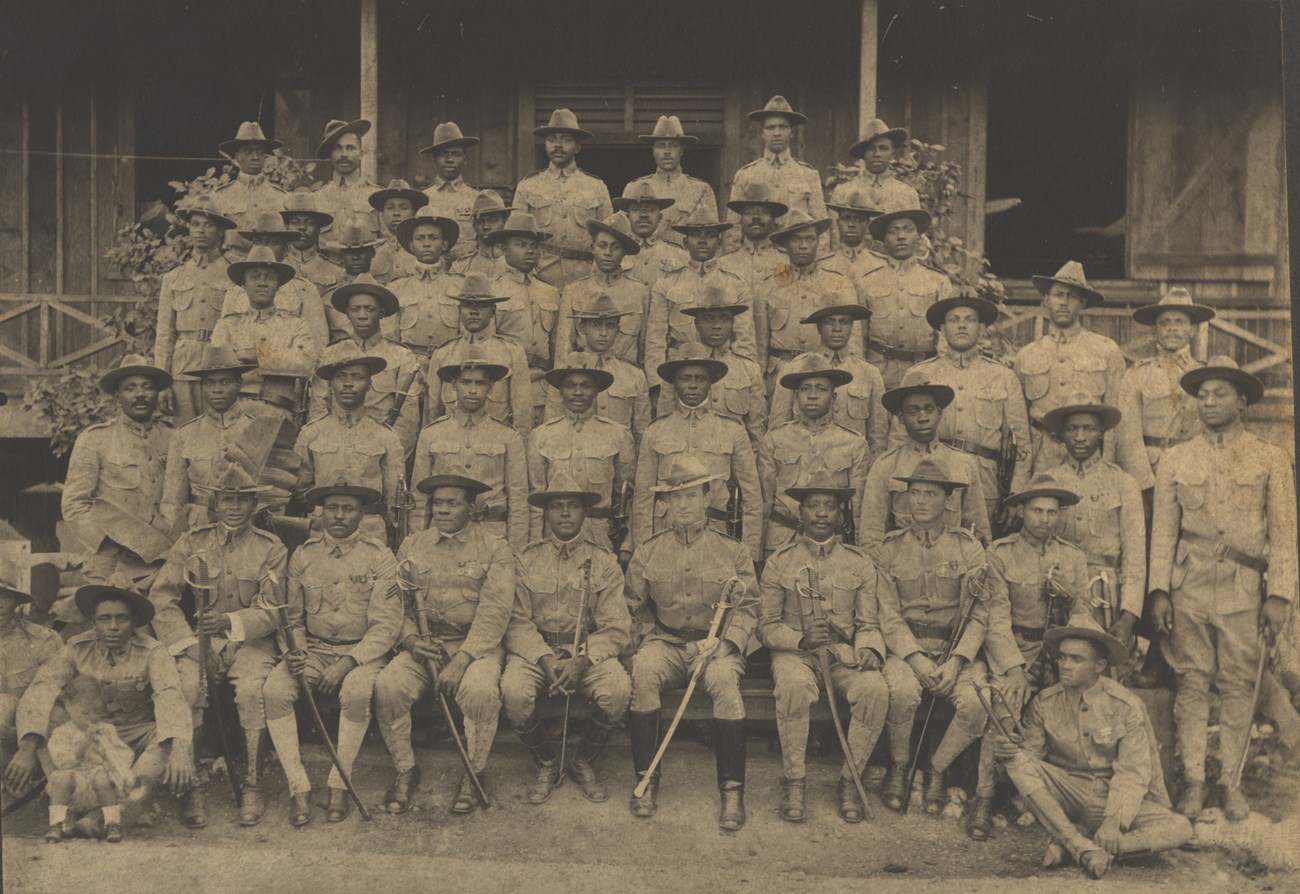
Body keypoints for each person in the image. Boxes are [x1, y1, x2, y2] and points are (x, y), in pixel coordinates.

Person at [1148, 358, 1296, 821]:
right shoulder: (1176, 458)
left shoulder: (1270, 456)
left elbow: (1285, 532)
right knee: (1191, 681)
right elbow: (1163, 532)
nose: (1208, 402)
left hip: (1243, 589)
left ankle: (1230, 782)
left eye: (1219, 394)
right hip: (1188, 584)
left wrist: (1279, 596)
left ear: (1243, 401)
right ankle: (1193, 784)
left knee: (1237, 686)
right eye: (1202, 395)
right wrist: (1158, 590)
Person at [991, 620, 1193, 879]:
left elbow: (1132, 772)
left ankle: (1081, 848)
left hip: (1110, 798)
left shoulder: (1125, 705)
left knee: (1180, 827)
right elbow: (1030, 760)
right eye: (1062, 657)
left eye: (1076, 659)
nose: (1065, 665)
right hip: (1065, 793)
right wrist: (1006, 754)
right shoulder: (1045, 702)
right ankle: (1077, 843)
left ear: (1099, 666)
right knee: (1017, 761)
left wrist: (1113, 821)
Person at [147, 463, 287, 827]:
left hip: (251, 643)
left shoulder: (270, 548)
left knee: (252, 690)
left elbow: (272, 608)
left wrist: (230, 622)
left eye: (243, 500)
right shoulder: (193, 542)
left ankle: (253, 781)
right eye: (228, 499)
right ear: (215, 503)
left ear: (254, 504)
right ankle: (191, 783)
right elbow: (162, 597)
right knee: (188, 685)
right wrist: (189, 645)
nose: (235, 507)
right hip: (198, 643)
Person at [625, 455, 760, 829]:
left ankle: (732, 792)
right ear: (665, 503)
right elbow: (631, 608)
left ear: (707, 497)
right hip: (666, 642)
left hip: (715, 647)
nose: (683, 505)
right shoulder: (648, 551)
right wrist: (648, 639)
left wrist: (727, 644)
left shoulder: (732, 551)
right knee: (644, 672)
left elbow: (750, 608)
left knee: (723, 682)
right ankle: (646, 779)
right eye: (675, 497)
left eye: (691, 495)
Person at [6, 581, 196, 836]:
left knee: (168, 740)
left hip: (134, 735)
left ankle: (102, 815)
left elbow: (169, 696)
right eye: (104, 619)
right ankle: (63, 801)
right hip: (91, 736)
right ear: (93, 622)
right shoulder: (76, 647)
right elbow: (42, 688)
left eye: (122, 619)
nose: (113, 627)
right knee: (46, 720)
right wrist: (27, 746)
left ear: (135, 621)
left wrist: (181, 749)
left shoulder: (153, 651)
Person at [262, 482, 400, 826]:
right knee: (274, 690)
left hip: (361, 654)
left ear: (362, 514)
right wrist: (294, 652)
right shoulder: (303, 555)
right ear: (320, 512)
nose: (339, 516)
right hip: (313, 650)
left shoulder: (379, 556)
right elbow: (290, 617)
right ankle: (299, 786)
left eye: (349, 509)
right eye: (332, 508)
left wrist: (348, 662)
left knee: (355, 691)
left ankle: (339, 783)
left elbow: (386, 625)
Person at [375, 474, 513, 815]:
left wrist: (462, 660)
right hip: (424, 644)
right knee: (388, 686)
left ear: (472, 508)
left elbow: (495, 612)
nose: (443, 510)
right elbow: (397, 604)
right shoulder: (412, 546)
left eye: (453, 503)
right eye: (438, 503)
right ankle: (405, 769)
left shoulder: (495, 548)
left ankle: (473, 771)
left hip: (474, 645)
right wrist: (409, 640)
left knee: (480, 692)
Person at [758, 475, 890, 823]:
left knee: (875, 689)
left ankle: (850, 780)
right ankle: (795, 780)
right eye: (813, 506)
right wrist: (800, 639)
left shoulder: (859, 563)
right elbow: (766, 626)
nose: (821, 514)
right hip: (795, 655)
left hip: (841, 656)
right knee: (794, 687)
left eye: (829, 507)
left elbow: (869, 623)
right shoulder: (780, 561)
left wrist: (870, 650)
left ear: (841, 516)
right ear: (800, 512)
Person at [969, 472, 1089, 840]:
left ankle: (1048, 798)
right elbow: (995, 618)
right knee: (1004, 705)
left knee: (1072, 711)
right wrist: (1013, 668)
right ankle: (984, 798)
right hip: (1016, 648)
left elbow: (1084, 617)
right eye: (1037, 510)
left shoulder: (1073, 557)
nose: (1045, 519)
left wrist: (1069, 598)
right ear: (1021, 510)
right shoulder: (1000, 553)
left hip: (1058, 651)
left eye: (1052, 512)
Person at [502, 474, 632, 804]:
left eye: (572, 506)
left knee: (618, 689)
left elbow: (616, 626)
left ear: (584, 513)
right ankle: (546, 762)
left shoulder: (603, 561)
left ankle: (582, 761)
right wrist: (545, 659)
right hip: (536, 653)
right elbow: (516, 622)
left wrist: (583, 660)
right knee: (514, 690)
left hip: (585, 652)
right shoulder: (525, 560)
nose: (564, 513)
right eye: (556, 506)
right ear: (545, 513)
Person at [873, 459, 992, 814]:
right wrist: (914, 658)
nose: (921, 501)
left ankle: (936, 769)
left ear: (947, 501)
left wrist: (957, 662)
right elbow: (888, 616)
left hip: (955, 652)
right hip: (907, 652)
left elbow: (980, 613)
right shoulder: (888, 549)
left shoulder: (968, 548)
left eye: (930, 494)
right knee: (902, 691)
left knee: (977, 703)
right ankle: (899, 765)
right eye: (914, 493)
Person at [894, 292, 1030, 522]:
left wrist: (1016, 495)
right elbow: (898, 439)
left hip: (985, 483)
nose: (962, 326)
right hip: (931, 480)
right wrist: (898, 489)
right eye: (954, 320)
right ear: (942, 328)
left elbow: (1022, 445)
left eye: (970, 320)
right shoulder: (921, 374)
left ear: (982, 327)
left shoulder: (1003, 377)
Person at [632, 348, 763, 564]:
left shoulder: (732, 430)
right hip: (665, 533)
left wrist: (749, 551)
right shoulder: (656, 430)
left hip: (715, 532)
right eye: (685, 379)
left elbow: (752, 495)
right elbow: (643, 497)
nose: (692, 385)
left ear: (710, 383)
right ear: (674, 383)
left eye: (700, 379)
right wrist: (642, 549)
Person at [61, 355, 174, 587]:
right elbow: (74, 504)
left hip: (163, 557)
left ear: (156, 394)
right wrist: (107, 541)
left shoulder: (174, 438)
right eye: (130, 388)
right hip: (112, 561)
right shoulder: (95, 439)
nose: (140, 394)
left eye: (147, 387)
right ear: (117, 396)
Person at [1043, 394, 1146, 648]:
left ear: (1101, 433)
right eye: (1072, 429)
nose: (1079, 437)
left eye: (1088, 429)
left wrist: (1129, 616)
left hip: (1104, 595)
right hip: (1056, 591)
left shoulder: (1123, 483)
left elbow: (1135, 556)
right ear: (1062, 434)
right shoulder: (1048, 481)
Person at [1014, 261, 1126, 475]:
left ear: (1082, 303)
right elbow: (1019, 424)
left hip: (1090, 458)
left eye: (1072, 296)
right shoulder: (1026, 356)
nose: (1064, 302)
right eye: (1058, 295)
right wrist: (1020, 478)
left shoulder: (1106, 351)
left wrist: (1107, 467)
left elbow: (1114, 419)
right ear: (1046, 300)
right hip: (1042, 458)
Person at [411, 348, 529, 546]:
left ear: (490, 387)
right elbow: (420, 500)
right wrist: (418, 546)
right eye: (466, 382)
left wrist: (515, 551)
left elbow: (518, 502)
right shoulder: (431, 434)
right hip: (442, 537)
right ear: (453, 385)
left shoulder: (508, 436)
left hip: (491, 537)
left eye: (480, 383)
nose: (473, 390)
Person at [858, 382, 990, 552]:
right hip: (903, 565)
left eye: (929, 409)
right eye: (913, 411)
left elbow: (979, 531)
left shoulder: (963, 463)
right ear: (901, 418)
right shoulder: (885, 466)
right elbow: (871, 537)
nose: (923, 418)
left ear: (939, 413)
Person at [758, 356, 868, 557]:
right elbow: (764, 501)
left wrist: (856, 552)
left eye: (821, 389)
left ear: (833, 398)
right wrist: (756, 551)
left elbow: (858, 507)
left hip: (834, 544)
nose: (813, 395)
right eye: (805, 389)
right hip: (782, 541)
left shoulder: (854, 443)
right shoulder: (775, 439)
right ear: (796, 396)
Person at [1115, 288, 1217, 499]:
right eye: (1164, 322)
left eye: (1179, 322)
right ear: (1154, 330)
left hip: (1195, 470)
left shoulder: (1204, 375)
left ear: (1193, 329)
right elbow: (1127, 435)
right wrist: (1144, 483)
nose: (1172, 329)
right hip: (1152, 471)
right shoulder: (1137, 374)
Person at [530, 355, 636, 556]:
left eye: (586, 386)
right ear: (561, 391)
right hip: (553, 537)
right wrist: (536, 544)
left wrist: (626, 545)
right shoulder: (541, 436)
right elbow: (536, 498)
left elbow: (626, 495)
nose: (578, 392)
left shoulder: (618, 435)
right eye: (570, 386)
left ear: (597, 391)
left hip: (600, 536)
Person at [646, 205, 757, 395]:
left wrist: (744, 379)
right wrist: (657, 384)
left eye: (710, 235)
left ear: (719, 242)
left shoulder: (736, 284)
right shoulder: (666, 284)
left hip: (724, 368)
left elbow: (744, 340)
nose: (703, 241)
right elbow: (656, 337)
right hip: (679, 368)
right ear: (685, 241)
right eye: (697, 235)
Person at [310, 275, 423, 456]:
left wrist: (389, 454)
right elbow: (319, 407)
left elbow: (407, 421)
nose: (362, 316)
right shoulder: (330, 354)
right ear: (347, 313)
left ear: (382, 312)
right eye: (356, 309)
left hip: (381, 450)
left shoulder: (402, 357)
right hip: (335, 447)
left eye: (369, 309)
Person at [293, 350, 405, 534]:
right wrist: (322, 512)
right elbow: (300, 491)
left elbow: (393, 497)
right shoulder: (311, 433)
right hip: (323, 529)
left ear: (369, 384)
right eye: (340, 377)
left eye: (357, 377)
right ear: (331, 384)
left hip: (370, 530)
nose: (348, 384)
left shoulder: (386, 437)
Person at [154, 196, 238, 423]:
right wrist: (163, 383)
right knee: (184, 436)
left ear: (220, 231)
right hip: (183, 369)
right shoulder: (174, 277)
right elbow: (164, 334)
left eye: (208, 225)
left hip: (220, 367)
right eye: (195, 224)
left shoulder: (234, 275)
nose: (200, 230)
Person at [159, 345, 258, 533]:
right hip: (198, 528)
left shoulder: (255, 430)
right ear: (201, 387)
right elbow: (172, 500)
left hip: (245, 527)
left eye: (225, 382)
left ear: (239, 384)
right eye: (209, 383)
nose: (217, 390)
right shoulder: (184, 434)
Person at [753, 210, 857, 388]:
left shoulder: (839, 283)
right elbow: (760, 344)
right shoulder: (767, 286)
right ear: (785, 244)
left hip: (825, 372)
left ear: (818, 242)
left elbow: (853, 340)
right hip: (781, 374)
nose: (803, 245)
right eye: (796, 240)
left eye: (810, 239)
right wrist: (760, 384)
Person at [769, 305, 887, 458]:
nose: (837, 328)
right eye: (829, 322)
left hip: (851, 465)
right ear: (818, 328)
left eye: (844, 322)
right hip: (803, 464)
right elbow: (778, 428)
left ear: (852, 327)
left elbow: (877, 436)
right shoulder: (794, 369)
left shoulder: (869, 373)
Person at [513, 109, 613, 288]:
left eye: (566, 139)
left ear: (577, 146)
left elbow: (608, 237)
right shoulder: (528, 185)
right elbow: (516, 235)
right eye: (552, 139)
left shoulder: (596, 186)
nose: (557, 145)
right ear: (545, 145)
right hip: (540, 275)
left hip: (584, 276)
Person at [425, 273, 533, 437]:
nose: (474, 312)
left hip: (495, 443)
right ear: (459, 310)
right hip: (450, 445)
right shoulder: (443, 354)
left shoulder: (512, 352)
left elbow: (522, 416)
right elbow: (433, 413)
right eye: (468, 305)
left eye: (481, 306)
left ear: (493, 311)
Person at [859, 207, 955, 389]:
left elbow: (945, 336)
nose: (901, 236)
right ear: (884, 239)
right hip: (879, 373)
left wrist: (941, 374)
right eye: (893, 231)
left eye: (908, 230)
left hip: (924, 373)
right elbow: (859, 336)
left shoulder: (937, 281)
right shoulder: (867, 282)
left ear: (918, 237)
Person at [211, 245, 318, 403]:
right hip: (237, 408)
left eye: (269, 277)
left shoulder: (296, 325)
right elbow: (218, 363)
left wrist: (258, 356)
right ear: (243, 285)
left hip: (280, 411)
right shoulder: (227, 325)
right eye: (255, 277)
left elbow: (305, 364)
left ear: (278, 285)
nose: (262, 283)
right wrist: (283, 358)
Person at [216, 214, 329, 351]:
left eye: (271, 243)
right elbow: (224, 340)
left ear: (284, 248)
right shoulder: (236, 290)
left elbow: (317, 342)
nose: (264, 248)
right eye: (258, 242)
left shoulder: (304, 289)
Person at [727, 96, 827, 248]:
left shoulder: (808, 175)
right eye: (771, 127)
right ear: (762, 133)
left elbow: (820, 226)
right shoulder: (746, 175)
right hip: (757, 259)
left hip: (794, 257)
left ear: (792, 132)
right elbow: (734, 227)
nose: (777, 133)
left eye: (783, 127)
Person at [555, 212, 648, 367]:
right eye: (602, 245)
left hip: (624, 382)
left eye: (615, 247)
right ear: (592, 248)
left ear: (624, 252)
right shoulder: (574, 290)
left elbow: (645, 347)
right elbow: (563, 351)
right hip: (584, 378)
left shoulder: (640, 292)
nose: (608, 253)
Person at [674, 295, 766, 447]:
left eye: (724, 319)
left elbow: (756, 429)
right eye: (708, 319)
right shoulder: (677, 368)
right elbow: (666, 427)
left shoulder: (749, 369)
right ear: (696, 324)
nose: (717, 326)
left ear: (732, 323)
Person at [483, 210, 562, 384]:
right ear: (504, 249)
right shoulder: (492, 290)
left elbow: (557, 346)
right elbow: (486, 346)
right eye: (521, 244)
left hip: (542, 382)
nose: (530, 251)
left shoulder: (551, 292)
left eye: (534, 246)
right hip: (504, 380)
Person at [0, 563, 63, 768]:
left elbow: (62, 704)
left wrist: (25, 734)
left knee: (6, 704)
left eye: (3, 596)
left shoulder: (45, 640)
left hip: (35, 738)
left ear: (16, 602)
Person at [387, 208, 466, 358]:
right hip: (411, 363)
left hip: (449, 361)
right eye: (420, 238)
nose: (427, 244)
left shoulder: (459, 285)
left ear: (444, 244)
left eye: (433, 237)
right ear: (411, 245)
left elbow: (467, 334)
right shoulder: (396, 288)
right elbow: (390, 338)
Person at [630, 114, 717, 247]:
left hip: (685, 261)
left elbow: (712, 234)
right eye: (661, 145)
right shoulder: (635, 187)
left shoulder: (701, 189)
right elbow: (624, 233)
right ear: (653, 150)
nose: (667, 151)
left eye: (674, 145)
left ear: (682, 150)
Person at [210, 121, 288, 255]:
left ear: (265, 156)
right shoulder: (220, 196)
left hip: (270, 267)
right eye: (248, 151)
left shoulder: (282, 197)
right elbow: (213, 241)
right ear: (237, 157)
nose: (255, 157)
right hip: (233, 263)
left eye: (259, 152)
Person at [829, 119, 920, 215]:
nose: (877, 154)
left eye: (883, 148)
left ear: (892, 154)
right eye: (870, 148)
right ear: (863, 154)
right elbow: (834, 228)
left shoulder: (908, 193)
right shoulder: (843, 191)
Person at [420, 121, 482, 261]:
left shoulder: (476, 198)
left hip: (467, 270)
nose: (449, 160)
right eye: (444, 154)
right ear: (434, 159)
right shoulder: (422, 199)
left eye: (455, 154)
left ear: (465, 159)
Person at [311, 118, 380, 238]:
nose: (344, 154)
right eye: (337, 148)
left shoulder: (377, 196)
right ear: (330, 155)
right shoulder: (316, 198)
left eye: (350, 148)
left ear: (361, 154)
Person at [611, 180, 687, 288]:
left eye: (651, 210)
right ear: (627, 217)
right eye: (636, 210)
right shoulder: (612, 254)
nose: (643, 215)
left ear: (660, 217)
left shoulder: (679, 255)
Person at [717, 183, 787, 291]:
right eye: (749, 213)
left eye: (764, 212)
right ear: (740, 221)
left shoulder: (788, 261)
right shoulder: (723, 264)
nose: (756, 217)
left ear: (773, 221)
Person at [323, 225, 386, 341]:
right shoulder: (329, 298)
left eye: (362, 251)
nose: (356, 257)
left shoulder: (386, 293)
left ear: (372, 253)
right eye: (349, 252)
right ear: (341, 255)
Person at [280, 190, 342, 299]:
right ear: (287, 227)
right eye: (295, 222)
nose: (302, 227)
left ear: (318, 229)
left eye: (310, 223)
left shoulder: (336, 271)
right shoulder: (278, 268)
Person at [367, 180, 426, 285]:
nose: (396, 213)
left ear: (414, 212)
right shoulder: (371, 252)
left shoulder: (426, 249)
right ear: (382, 214)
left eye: (404, 208)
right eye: (390, 208)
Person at [821, 189, 885, 282]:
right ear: (838, 223)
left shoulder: (882, 264)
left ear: (868, 224)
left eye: (858, 219)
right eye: (846, 218)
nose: (851, 224)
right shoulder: (823, 264)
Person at [449, 190, 513, 278]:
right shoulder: (461, 267)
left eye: (493, 220)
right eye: (480, 221)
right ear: (474, 225)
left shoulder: (516, 264)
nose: (486, 226)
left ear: (504, 223)